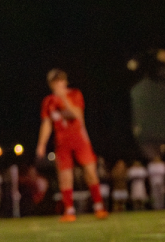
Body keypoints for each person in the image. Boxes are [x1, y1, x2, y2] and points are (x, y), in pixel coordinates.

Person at [35, 68, 109, 221]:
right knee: (65, 176)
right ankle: (69, 210)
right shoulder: (48, 101)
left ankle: (99, 206)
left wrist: (64, 99)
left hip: (80, 140)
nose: (58, 84)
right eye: (55, 81)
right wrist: (41, 144)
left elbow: (77, 115)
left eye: (60, 80)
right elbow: (47, 123)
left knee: (90, 172)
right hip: (62, 142)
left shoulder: (75, 94)